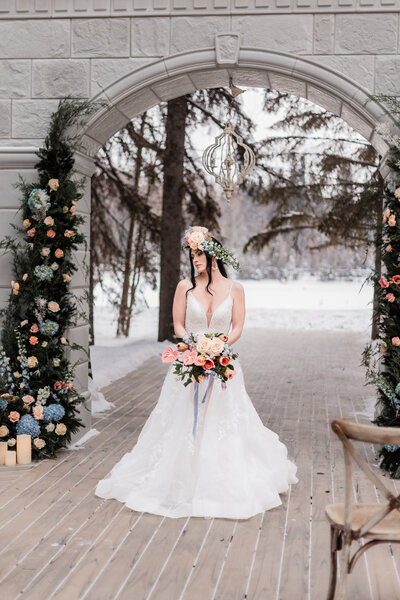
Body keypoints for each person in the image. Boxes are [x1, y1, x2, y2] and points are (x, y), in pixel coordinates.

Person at [95, 226, 298, 519]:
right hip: (188, 362)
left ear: (214, 255)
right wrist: (193, 343)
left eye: (199, 253)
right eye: (192, 254)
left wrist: (220, 345)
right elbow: (178, 324)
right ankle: (176, 476)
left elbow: (237, 325)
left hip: (223, 364)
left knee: (224, 419)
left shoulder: (235, 289)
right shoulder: (184, 287)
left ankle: (222, 475)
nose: (194, 259)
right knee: (179, 419)